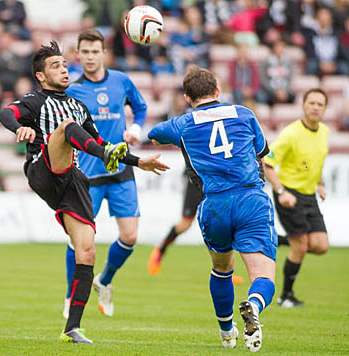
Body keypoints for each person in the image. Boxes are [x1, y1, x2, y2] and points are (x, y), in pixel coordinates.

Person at [0, 41, 168, 344]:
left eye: (63, 64)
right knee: (66, 128)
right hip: (43, 169)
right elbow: (4, 113)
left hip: (73, 180)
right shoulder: (35, 101)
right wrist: (18, 129)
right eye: (55, 66)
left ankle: (71, 328)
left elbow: (101, 143)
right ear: (40, 75)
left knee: (86, 251)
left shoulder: (79, 106)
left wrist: (138, 161)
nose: (63, 69)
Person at [148, 66, 277, 352]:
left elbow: (154, 134)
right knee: (263, 275)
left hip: (214, 205)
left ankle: (226, 331)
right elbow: (262, 153)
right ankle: (253, 306)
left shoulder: (183, 123)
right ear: (218, 90)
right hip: (250, 199)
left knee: (221, 270)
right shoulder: (244, 114)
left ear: (186, 96)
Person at [63, 28, 148, 319]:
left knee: (131, 236)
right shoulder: (72, 91)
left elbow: (140, 107)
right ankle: (70, 294)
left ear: (103, 53)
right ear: (78, 54)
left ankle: (105, 280)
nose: (89, 57)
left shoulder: (121, 81)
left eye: (94, 51)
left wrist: (136, 128)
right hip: (88, 174)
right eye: (84, 52)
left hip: (121, 168)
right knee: (79, 241)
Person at [263, 88, 330, 308]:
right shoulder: (291, 134)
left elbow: (316, 162)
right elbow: (268, 164)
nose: (315, 107)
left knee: (321, 245)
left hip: (309, 195)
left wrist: (319, 183)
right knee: (300, 247)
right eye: (311, 103)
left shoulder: (325, 132)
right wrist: (281, 192)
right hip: (289, 194)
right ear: (303, 105)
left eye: (320, 104)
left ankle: (280, 240)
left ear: (325, 109)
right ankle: (286, 296)